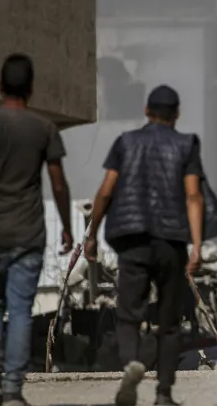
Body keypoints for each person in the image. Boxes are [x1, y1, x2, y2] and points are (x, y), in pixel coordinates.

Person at [0, 54, 74, 406]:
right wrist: (68, 227)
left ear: (0, 85)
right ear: (31, 88)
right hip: (27, 233)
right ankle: (12, 390)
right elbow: (57, 183)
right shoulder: (43, 129)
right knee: (20, 309)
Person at [84, 85, 204, 406]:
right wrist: (197, 246)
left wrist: (92, 233)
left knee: (128, 314)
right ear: (176, 114)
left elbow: (106, 191)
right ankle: (163, 394)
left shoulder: (125, 143)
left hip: (132, 239)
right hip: (171, 242)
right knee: (169, 321)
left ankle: (131, 364)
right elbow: (193, 195)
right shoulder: (186, 145)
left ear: (147, 111)